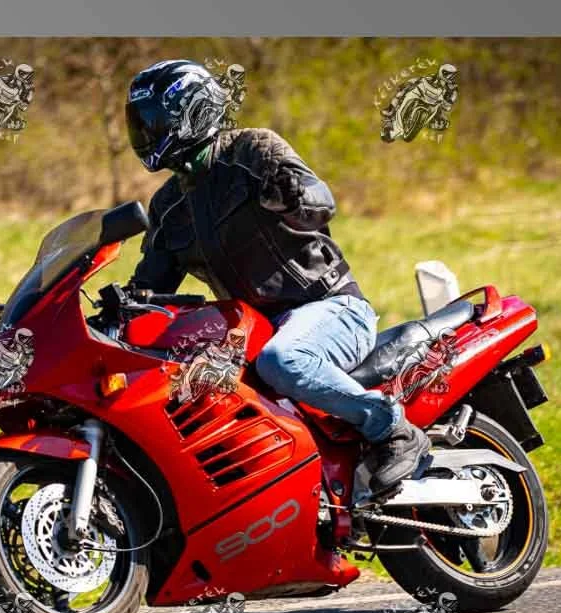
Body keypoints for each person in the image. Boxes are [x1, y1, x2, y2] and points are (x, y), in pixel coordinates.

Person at [123, 59, 429, 492]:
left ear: (191, 111)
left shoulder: (253, 150)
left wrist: (293, 195)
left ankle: (393, 428)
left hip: (330, 307)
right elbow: (151, 287)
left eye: (152, 122)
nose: (145, 134)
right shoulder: (169, 206)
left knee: (283, 361)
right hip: (256, 329)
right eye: (139, 124)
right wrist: (116, 307)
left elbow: (319, 203)